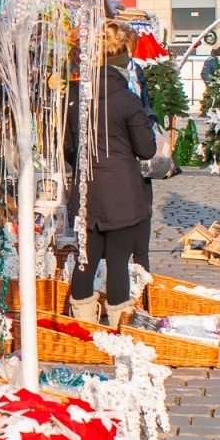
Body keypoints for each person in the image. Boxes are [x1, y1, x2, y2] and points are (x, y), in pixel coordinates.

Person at [68, 22, 158, 326]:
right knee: (118, 262)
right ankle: (118, 329)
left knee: (86, 261)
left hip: (86, 193)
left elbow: (69, 148)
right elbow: (146, 149)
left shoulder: (76, 97)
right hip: (122, 194)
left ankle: (82, 327)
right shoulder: (128, 100)